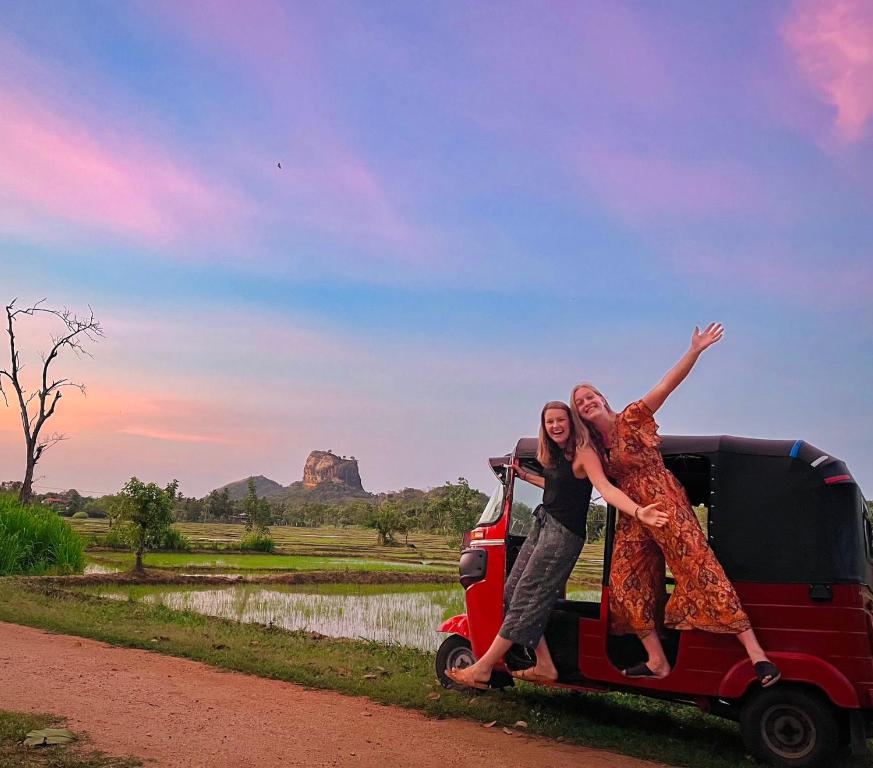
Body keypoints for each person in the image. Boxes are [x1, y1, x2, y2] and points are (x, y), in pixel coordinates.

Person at [571, 323, 780, 687]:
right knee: (623, 582)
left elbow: (666, 385)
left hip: (662, 499)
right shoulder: (594, 447)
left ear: (602, 399)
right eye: (580, 402)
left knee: (697, 564)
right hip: (632, 512)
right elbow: (584, 476)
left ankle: (757, 655)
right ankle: (657, 660)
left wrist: (695, 350)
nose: (587, 403)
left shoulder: (632, 418)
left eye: (590, 397)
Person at [446, 401, 667, 690]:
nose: (555, 426)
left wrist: (639, 511)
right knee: (512, 592)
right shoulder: (556, 455)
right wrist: (525, 477)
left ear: (571, 422)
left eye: (560, 420)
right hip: (544, 523)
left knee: (527, 595)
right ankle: (545, 664)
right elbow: (558, 488)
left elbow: (605, 488)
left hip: (563, 534)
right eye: (549, 422)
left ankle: (483, 668)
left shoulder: (583, 453)